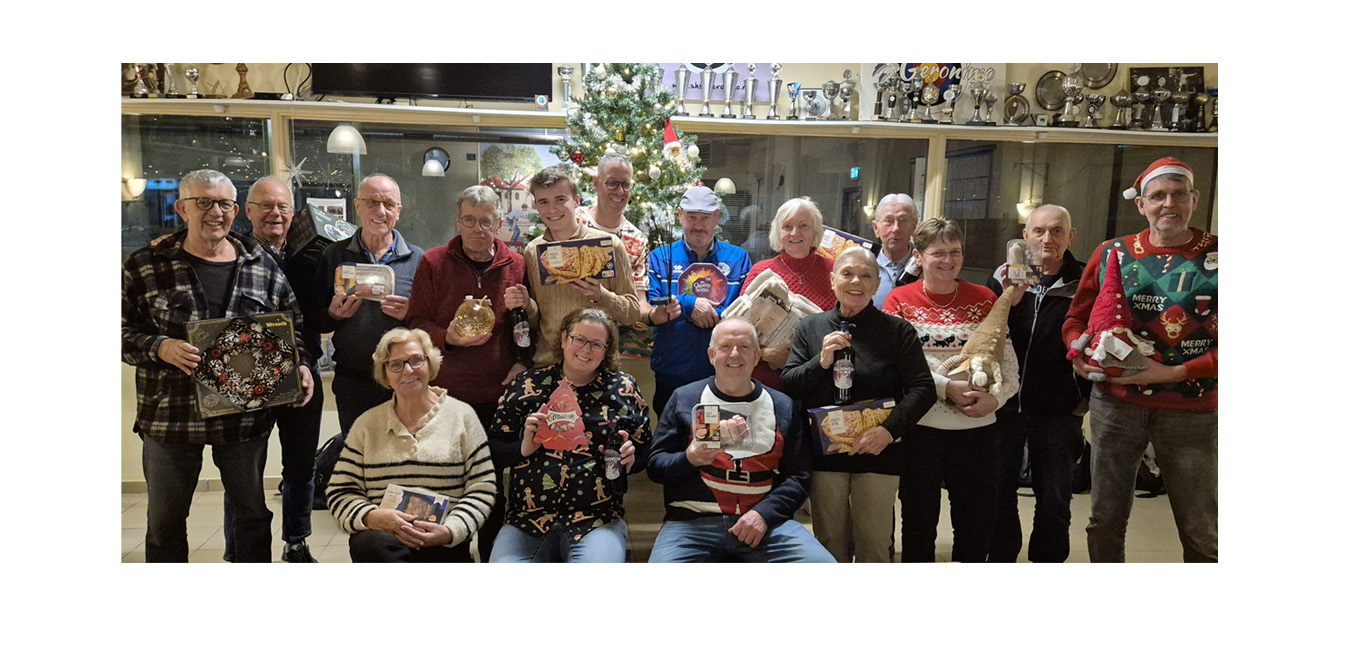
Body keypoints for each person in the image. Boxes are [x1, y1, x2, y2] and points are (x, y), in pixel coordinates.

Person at [122, 168, 314, 562]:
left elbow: (292, 328)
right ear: (182, 208)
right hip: (170, 417)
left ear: (234, 209)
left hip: (244, 419)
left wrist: (303, 366)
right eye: (204, 202)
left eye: (224, 204)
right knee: (165, 524)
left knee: (252, 517)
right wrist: (160, 346)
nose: (216, 212)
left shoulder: (260, 263)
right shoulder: (146, 264)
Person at [1063, 157, 1217, 563]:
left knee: (1201, 528)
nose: (1169, 204)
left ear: (1194, 199)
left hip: (1193, 411)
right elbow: (1077, 318)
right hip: (1116, 407)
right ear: (1141, 204)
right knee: (1105, 521)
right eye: (1158, 196)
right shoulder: (1112, 252)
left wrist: (1175, 371)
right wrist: (1078, 353)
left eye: (1179, 194)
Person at [406, 184, 537, 562]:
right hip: (447, 396)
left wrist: (523, 355)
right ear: (457, 221)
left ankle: (495, 558)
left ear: (499, 223)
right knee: (450, 486)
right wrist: (447, 337)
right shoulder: (433, 262)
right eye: (469, 220)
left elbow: (526, 326)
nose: (478, 228)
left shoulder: (516, 264)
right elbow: (417, 321)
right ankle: (455, 559)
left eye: (486, 221)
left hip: (499, 395)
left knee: (492, 488)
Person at [782, 247, 937, 562]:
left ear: (878, 282)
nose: (856, 281)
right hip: (825, 456)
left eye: (866, 275)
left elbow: (923, 389)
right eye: (847, 273)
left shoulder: (897, 331)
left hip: (878, 453)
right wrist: (821, 361)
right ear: (833, 280)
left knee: (874, 546)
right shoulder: (811, 327)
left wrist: (887, 431)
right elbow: (791, 384)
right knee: (828, 545)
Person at [883, 218, 1020, 562]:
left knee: (975, 525)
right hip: (920, 428)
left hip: (977, 432)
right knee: (918, 523)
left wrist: (996, 399)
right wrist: (947, 388)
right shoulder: (900, 300)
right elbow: (893, 366)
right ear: (919, 256)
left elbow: (1008, 365)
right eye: (938, 253)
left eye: (955, 252)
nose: (948, 260)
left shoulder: (985, 298)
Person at [646, 318, 834, 563]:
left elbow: (799, 476)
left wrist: (764, 514)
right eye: (725, 347)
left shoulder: (782, 406)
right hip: (692, 523)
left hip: (766, 524)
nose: (734, 354)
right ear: (711, 355)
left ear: (757, 356)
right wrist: (689, 458)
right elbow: (655, 467)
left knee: (823, 565)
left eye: (744, 347)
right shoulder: (684, 398)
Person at [486, 308, 651, 562]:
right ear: (564, 339)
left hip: (597, 519)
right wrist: (523, 448)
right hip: (527, 520)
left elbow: (645, 451)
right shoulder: (528, 384)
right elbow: (493, 451)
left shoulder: (623, 388)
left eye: (596, 344)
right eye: (579, 339)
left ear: (606, 350)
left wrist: (632, 460)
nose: (586, 350)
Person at [220, 177, 325, 563]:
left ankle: (296, 541)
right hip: (249, 381)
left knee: (301, 466)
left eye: (282, 206)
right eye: (264, 206)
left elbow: (316, 315)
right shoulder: (232, 253)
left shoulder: (312, 257)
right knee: (243, 470)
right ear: (247, 212)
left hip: (303, 375)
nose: (274, 214)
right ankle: (239, 549)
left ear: (293, 213)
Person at [327, 328, 496, 562]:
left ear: (430, 364)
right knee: (370, 543)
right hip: (383, 545)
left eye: (417, 360)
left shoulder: (463, 417)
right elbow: (340, 492)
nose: (408, 370)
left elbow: (482, 487)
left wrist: (450, 531)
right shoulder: (366, 425)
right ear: (385, 375)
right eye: (396, 364)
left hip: (444, 544)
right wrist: (371, 517)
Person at [984, 204, 1092, 563]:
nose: (1048, 239)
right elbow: (986, 336)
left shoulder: (1086, 284)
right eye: (1040, 231)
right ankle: (1001, 558)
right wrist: (1008, 297)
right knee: (999, 493)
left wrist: (1083, 399)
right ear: (1025, 235)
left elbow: (1097, 339)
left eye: (1057, 231)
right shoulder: (1001, 278)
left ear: (1070, 237)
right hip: (1004, 407)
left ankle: (1048, 562)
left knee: (1055, 496)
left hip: (1059, 409)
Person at [312, 173, 424, 435]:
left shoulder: (418, 258)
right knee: (357, 455)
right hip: (353, 379)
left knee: (404, 454)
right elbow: (313, 319)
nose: (380, 211)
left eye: (388, 204)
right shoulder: (333, 255)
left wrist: (411, 314)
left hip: (404, 378)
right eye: (372, 203)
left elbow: (429, 321)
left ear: (399, 211)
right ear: (358, 206)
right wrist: (332, 315)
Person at [646, 186, 752, 417]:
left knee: (722, 444)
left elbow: (746, 309)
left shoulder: (738, 259)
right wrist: (689, 305)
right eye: (692, 217)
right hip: (672, 373)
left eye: (705, 218)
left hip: (724, 376)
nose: (698, 225)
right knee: (673, 443)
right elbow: (652, 304)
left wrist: (715, 314)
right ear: (680, 215)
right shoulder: (660, 257)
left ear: (716, 217)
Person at [522, 165, 641, 367]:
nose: (552, 210)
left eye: (560, 199)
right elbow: (536, 322)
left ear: (576, 201)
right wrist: (527, 305)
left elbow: (632, 313)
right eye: (544, 202)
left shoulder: (609, 245)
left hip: (598, 367)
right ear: (537, 206)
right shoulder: (533, 252)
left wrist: (601, 296)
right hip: (547, 364)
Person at [741, 197, 835, 390]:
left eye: (803, 226)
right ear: (778, 232)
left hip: (818, 383)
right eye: (787, 226)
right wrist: (765, 353)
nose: (795, 233)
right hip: (766, 384)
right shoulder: (761, 271)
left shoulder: (835, 272)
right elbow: (738, 328)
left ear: (815, 231)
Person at [575, 152, 652, 340]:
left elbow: (638, 303)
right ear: (596, 183)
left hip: (611, 340)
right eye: (612, 183)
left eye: (626, 184)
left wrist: (654, 314)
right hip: (567, 334)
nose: (620, 191)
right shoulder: (574, 221)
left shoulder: (636, 240)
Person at [870, 193, 921, 309]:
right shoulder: (864, 265)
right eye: (888, 221)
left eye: (903, 221)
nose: (896, 228)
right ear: (876, 228)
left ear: (914, 226)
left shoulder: (926, 267)